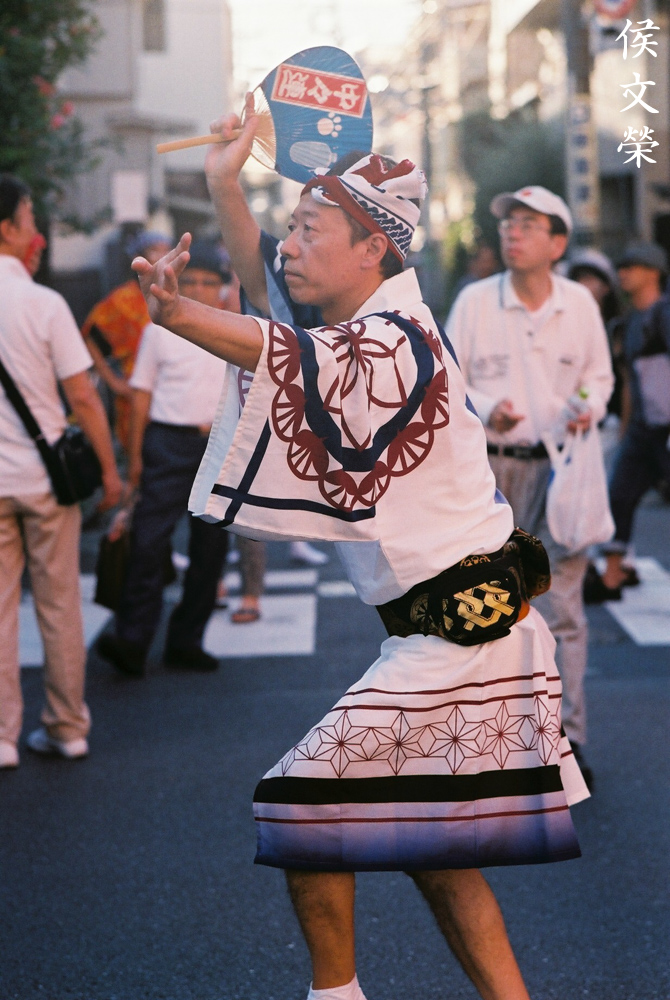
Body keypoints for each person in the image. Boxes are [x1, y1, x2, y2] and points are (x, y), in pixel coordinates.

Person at [131, 106, 589, 1000]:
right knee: (436, 855)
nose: (290, 246)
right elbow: (273, 309)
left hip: (465, 636)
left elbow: (280, 351)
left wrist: (176, 310)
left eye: (310, 230)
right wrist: (226, 183)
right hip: (457, 630)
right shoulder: (368, 333)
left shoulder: (394, 341)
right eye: (292, 227)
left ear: (374, 248)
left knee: (303, 809)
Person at [447, 186, 614, 790]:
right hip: (494, 471)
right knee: (492, 606)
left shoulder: (579, 304)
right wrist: (488, 404)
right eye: (508, 223)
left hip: (565, 469)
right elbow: (448, 378)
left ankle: (567, 738)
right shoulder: (474, 301)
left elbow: (600, 377)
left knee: (564, 607)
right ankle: (499, 742)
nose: (512, 233)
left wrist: (588, 406)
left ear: (557, 243)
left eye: (527, 224)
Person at [0, 174, 123, 768]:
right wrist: (111, 473)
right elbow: (83, 397)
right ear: (7, 229)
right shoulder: (45, 304)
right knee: (58, 605)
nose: (39, 237)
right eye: (30, 221)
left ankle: (2, 737)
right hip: (49, 481)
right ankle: (67, 726)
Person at [96, 242, 230, 677]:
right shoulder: (158, 330)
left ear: (222, 288)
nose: (201, 289)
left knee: (210, 549)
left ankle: (186, 641)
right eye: (193, 281)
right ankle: (132, 641)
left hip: (218, 444)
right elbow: (141, 396)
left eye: (210, 282)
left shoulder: (233, 329)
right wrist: (134, 457)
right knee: (149, 542)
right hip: (167, 442)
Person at [588, 241, 670, 600]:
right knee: (619, 495)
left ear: (653, 272)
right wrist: (626, 431)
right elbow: (627, 380)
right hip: (641, 428)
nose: (622, 274)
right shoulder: (629, 321)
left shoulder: (664, 313)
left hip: (666, 427)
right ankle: (613, 574)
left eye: (631, 267)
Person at [81, 231, 172, 449]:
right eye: (154, 250)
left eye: (166, 250)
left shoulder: (182, 294)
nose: (162, 255)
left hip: (177, 403)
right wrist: (114, 382)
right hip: (135, 402)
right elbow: (89, 338)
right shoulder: (123, 300)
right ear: (139, 256)